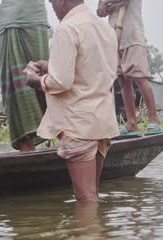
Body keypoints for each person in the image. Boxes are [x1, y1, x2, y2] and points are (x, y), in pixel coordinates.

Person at [26, 0, 119, 202]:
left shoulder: (67, 28)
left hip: (78, 124)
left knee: (85, 198)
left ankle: (86, 233)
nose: (52, 6)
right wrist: (52, 66)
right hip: (102, 121)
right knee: (92, 193)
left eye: (52, 2)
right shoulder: (105, 28)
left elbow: (61, 82)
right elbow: (94, 71)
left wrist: (36, 80)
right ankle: (97, 233)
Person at [97, 0, 163, 136]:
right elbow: (100, 11)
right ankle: (132, 123)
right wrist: (103, 6)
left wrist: (107, 3)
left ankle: (154, 120)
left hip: (132, 36)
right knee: (123, 80)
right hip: (115, 37)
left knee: (140, 77)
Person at [0, 0, 49, 152]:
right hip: (9, 20)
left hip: (33, 18)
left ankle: (71, 149)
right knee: (20, 96)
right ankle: (28, 154)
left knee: (46, 81)